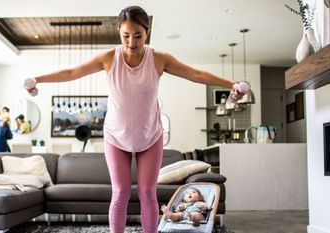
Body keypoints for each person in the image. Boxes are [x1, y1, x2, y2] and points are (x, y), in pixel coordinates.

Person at [23, 6, 248, 233]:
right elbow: (73, 72)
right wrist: (37, 79)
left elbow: (196, 74)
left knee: (147, 193)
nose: (131, 42)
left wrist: (230, 85)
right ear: (119, 32)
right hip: (115, 137)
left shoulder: (159, 59)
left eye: (138, 35)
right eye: (126, 35)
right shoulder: (109, 58)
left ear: (147, 32)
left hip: (150, 137)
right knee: (119, 192)